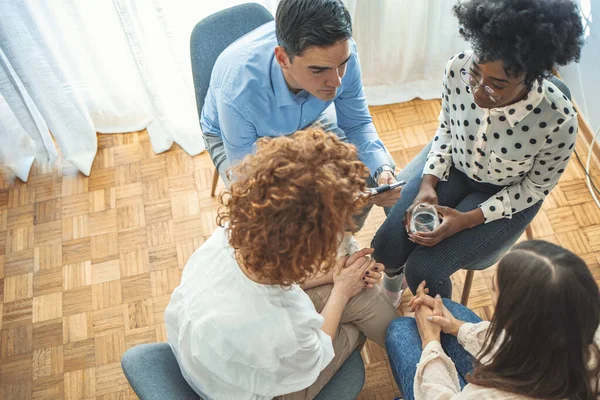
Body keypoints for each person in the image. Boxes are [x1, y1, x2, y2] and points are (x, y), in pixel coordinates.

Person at [372, 0, 585, 304]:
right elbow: (446, 129)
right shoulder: (457, 68)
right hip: (455, 167)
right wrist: (428, 183)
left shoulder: (558, 119)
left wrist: (467, 219)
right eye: (475, 74)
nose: (477, 91)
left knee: (425, 270)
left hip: (507, 194)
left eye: (497, 85)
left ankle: (437, 326)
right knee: (386, 246)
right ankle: (394, 280)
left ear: (531, 77)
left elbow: (534, 188)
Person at [165, 129, 399, 400]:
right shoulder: (284, 326)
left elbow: (275, 283)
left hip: (207, 357)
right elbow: (315, 351)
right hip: (260, 387)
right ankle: (419, 361)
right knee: (353, 325)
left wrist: (335, 276)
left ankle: (413, 351)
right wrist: (341, 291)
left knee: (359, 296)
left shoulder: (228, 237)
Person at [200, 0, 404, 230]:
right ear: (283, 59)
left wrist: (382, 172)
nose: (337, 81)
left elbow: (357, 125)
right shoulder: (237, 93)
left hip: (304, 121)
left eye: (342, 64)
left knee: (370, 169)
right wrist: (331, 198)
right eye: (318, 70)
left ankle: (342, 238)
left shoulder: (339, 54)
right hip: (241, 140)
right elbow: (249, 185)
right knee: (273, 223)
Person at [386, 240, 600, 399]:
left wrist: (430, 342)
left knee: (400, 331)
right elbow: (518, 344)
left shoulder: (489, 395)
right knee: (447, 310)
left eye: (494, 289)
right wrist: (457, 327)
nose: (491, 290)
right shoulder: (583, 335)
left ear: (512, 319)